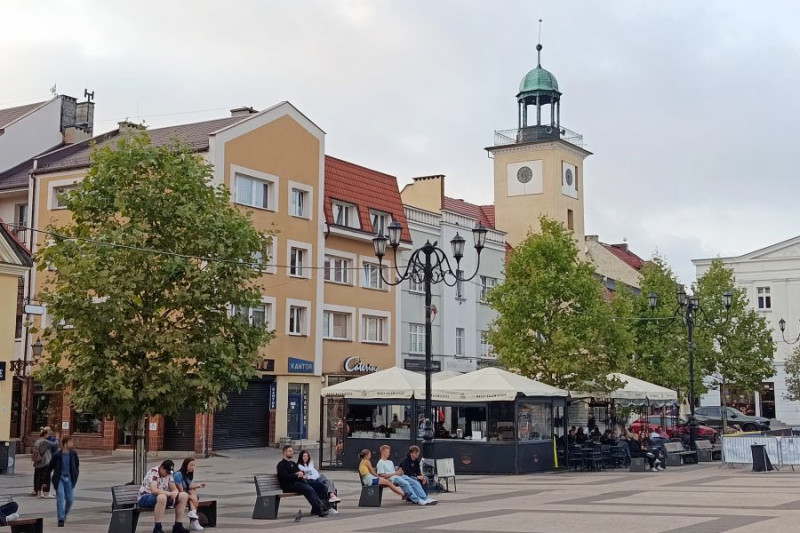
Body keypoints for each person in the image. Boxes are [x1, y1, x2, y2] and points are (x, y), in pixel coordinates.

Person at [138, 459, 190, 533]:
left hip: (163, 497)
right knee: (162, 497)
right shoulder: (154, 472)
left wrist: (175, 493)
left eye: (169, 472)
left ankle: (178, 526)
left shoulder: (169, 474)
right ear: (162, 468)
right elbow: (154, 490)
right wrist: (169, 494)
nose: (168, 474)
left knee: (183, 495)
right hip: (146, 497)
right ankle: (157, 528)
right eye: (167, 472)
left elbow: (174, 488)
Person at [276, 446, 329, 518]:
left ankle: (321, 507)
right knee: (308, 489)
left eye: (292, 451)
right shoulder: (281, 465)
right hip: (289, 485)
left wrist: (301, 474)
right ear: (285, 452)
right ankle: (319, 509)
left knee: (313, 487)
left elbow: (300, 473)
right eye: (290, 451)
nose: (292, 453)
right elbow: (284, 477)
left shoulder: (293, 463)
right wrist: (296, 475)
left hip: (298, 483)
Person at [48, 436, 79, 527]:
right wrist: (45, 481)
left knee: (70, 500)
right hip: (59, 479)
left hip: (69, 479)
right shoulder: (57, 455)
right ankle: (60, 519)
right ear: (65, 443)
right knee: (60, 498)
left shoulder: (73, 454)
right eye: (70, 442)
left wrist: (74, 478)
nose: (72, 444)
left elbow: (76, 467)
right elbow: (50, 467)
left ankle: (64, 514)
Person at [172, 458, 206, 531]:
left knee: (193, 490)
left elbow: (189, 485)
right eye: (191, 465)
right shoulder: (178, 475)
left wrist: (198, 485)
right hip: (178, 496)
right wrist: (192, 497)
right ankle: (194, 519)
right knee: (192, 497)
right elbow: (181, 491)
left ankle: (193, 513)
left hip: (185, 494)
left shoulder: (189, 474)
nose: (193, 467)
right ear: (185, 465)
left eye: (194, 465)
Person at [31, 428, 54, 498]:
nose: (49, 435)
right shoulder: (44, 442)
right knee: (45, 478)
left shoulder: (37, 441)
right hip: (44, 461)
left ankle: (38, 492)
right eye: (48, 434)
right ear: (45, 434)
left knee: (38, 477)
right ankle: (45, 492)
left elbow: (32, 450)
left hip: (38, 462)